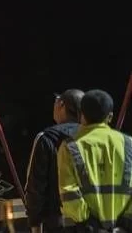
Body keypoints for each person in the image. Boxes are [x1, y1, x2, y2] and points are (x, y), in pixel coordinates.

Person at [57, 89, 132, 232]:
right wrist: (125, 223)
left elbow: (69, 194)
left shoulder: (69, 148)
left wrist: (91, 225)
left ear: (81, 115)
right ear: (109, 117)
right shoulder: (129, 144)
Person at [25, 89, 84, 232]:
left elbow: (35, 187)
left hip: (56, 224)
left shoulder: (46, 138)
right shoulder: (96, 139)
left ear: (62, 105)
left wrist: (35, 224)